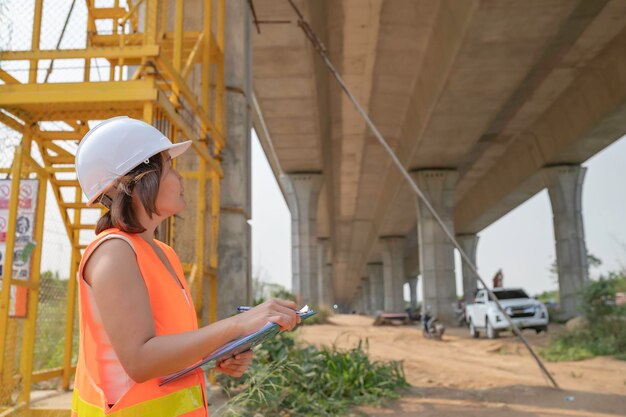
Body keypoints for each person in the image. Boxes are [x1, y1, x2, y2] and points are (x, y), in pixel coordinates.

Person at [72, 116, 300, 416]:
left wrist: (220, 350)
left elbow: (166, 350)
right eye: (170, 168)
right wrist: (236, 325)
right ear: (139, 181)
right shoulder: (114, 252)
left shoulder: (162, 253)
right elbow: (140, 361)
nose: (180, 179)